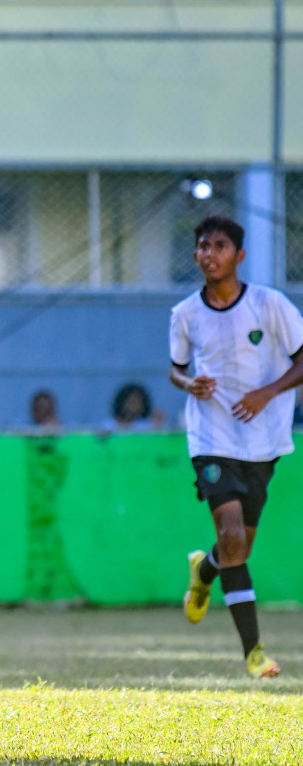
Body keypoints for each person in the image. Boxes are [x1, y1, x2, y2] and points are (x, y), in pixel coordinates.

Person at [171, 216, 303, 680]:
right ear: (195, 256)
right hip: (211, 438)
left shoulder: (270, 305)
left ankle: (202, 572)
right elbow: (175, 369)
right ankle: (254, 653)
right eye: (203, 246)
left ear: (239, 255)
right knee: (230, 535)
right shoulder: (185, 313)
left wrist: (267, 392)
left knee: (237, 548)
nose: (210, 253)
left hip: (263, 440)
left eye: (220, 246)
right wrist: (191, 384)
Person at [101, 383, 166, 432]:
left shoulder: (147, 426)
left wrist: (158, 425)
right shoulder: (108, 425)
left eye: (137, 402)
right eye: (131, 402)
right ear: (122, 403)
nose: (134, 406)